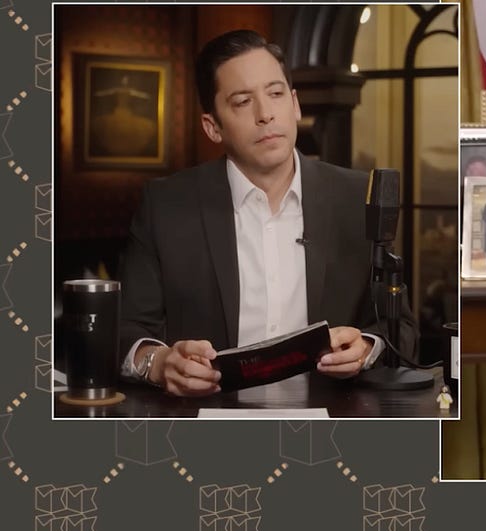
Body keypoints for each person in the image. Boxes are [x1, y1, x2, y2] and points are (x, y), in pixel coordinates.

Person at [116, 30, 418, 397]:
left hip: (330, 419)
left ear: (295, 104)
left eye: (275, 94)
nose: (265, 115)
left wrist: (368, 348)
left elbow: (400, 328)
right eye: (243, 102)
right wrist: (159, 363)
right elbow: (125, 332)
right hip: (209, 417)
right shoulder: (166, 205)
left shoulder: (357, 198)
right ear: (213, 126)